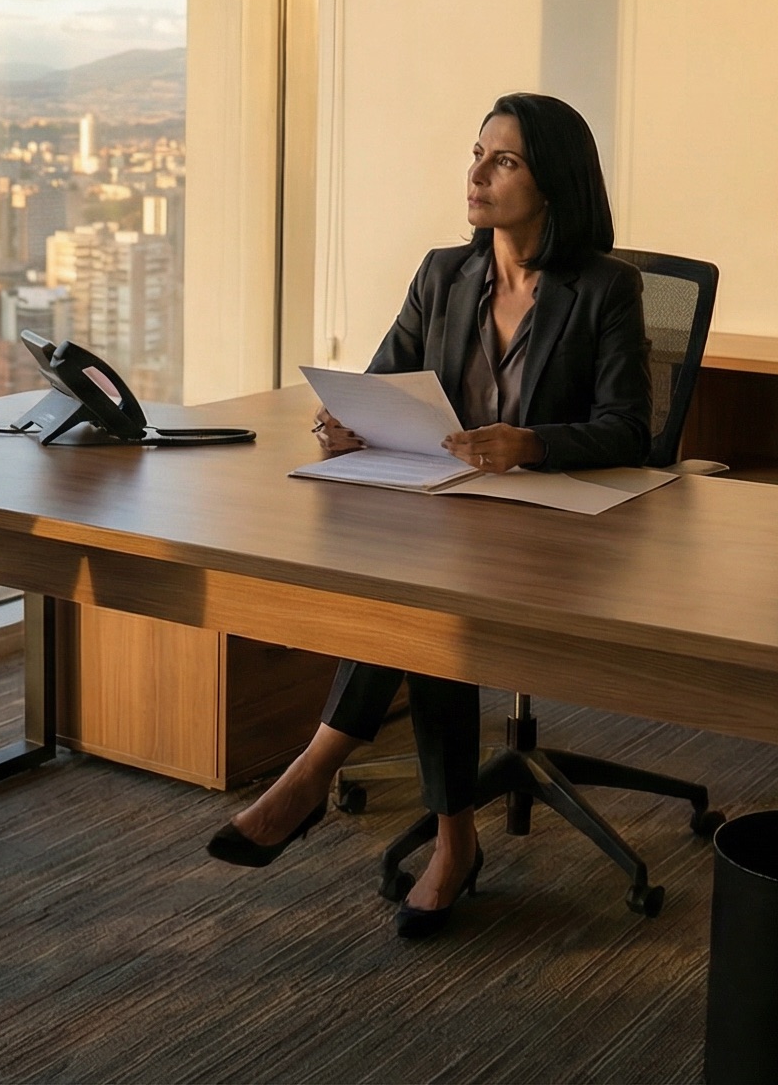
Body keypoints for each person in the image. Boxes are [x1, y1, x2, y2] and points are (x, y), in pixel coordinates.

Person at [202, 93, 651, 939]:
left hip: (555, 528)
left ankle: (317, 771)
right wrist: (347, 424)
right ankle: (452, 842)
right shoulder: (446, 272)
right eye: (476, 154)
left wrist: (530, 444)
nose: (476, 175)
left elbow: (630, 428)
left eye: (504, 161)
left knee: (426, 604)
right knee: (428, 604)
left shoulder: (604, 289)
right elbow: (383, 382)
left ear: (552, 181)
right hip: (449, 516)